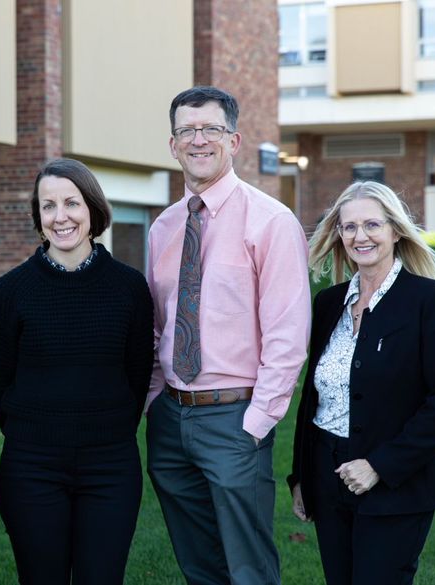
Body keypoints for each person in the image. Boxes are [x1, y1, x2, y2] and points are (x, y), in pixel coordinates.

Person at [145, 86, 311, 585]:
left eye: (211, 129)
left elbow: (287, 334)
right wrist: (154, 403)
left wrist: (256, 422)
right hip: (171, 419)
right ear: (173, 145)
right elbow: (159, 327)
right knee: (199, 565)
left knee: (249, 569)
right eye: (186, 131)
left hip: (235, 416)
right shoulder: (163, 228)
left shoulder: (272, 222)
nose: (199, 140)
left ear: (234, 140)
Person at [0, 158, 153, 584]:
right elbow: (0, 381)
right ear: (38, 218)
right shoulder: (11, 290)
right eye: (48, 206)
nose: (61, 217)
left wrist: (103, 426)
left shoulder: (130, 287)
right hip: (32, 466)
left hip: (110, 466)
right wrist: (37, 429)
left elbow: (136, 374)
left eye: (71, 203)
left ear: (93, 209)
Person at [288, 181, 435, 585]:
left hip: (396, 482)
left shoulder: (429, 300)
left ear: (395, 230)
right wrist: (302, 477)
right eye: (349, 227)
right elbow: (314, 398)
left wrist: (379, 466)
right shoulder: (329, 302)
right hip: (327, 477)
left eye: (371, 225)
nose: (359, 236)